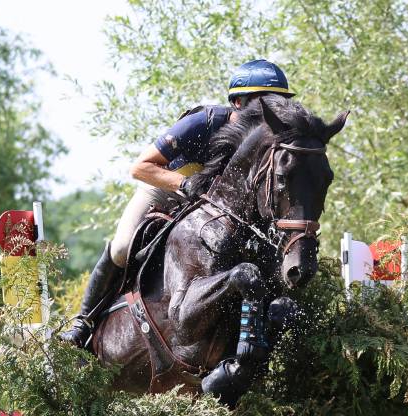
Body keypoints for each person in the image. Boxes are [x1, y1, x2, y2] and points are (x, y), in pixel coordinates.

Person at [59, 59, 296, 348]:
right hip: (170, 187)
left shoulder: (270, 141)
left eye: (279, 101)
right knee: (122, 248)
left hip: (219, 206)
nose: (274, 110)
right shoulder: (203, 123)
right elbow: (140, 167)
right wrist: (184, 184)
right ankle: (83, 322)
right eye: (265, 101)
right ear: (237, 102)